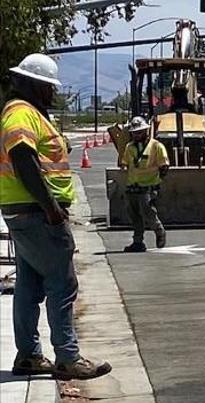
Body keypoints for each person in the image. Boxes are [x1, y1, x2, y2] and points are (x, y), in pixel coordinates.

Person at [0, 54, 110, 379]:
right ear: (33, 84)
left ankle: (29, 355)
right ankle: (67, 357)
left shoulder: (25, 112)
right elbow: (23, 158)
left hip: (22, 211)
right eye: (48, 87)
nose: (52, 94)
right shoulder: (21, 114)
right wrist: (50, 208)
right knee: (62, 283)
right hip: (37, 213)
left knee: (29, 285)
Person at [119, 116, 168, 252]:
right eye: (134, 132)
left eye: (139, 132)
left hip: (148, 187)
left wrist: (157, 182)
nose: (136, 135)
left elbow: (164, 166)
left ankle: (159, 231)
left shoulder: (156, 146)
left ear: (146, 131)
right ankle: (138, 242)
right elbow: (125, 163)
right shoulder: (129, 147)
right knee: (134, 215)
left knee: (148, 212)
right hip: (132, 186)